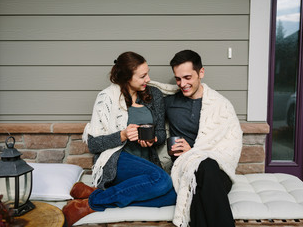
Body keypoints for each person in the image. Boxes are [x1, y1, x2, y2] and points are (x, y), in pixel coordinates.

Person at [62, 51, 177, 227]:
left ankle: (96, 194)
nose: (148, 79)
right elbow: (93, 144)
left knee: (175, 195)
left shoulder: (154, 95)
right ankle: (92, 204)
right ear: (127, 78)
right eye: (142, 76)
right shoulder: (107, 98)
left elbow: (161, 133)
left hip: (146, 163)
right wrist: (122, 135)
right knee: (162, 180)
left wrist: (153, 139)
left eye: (147, 73)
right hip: (117, 161)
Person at [153, 50, 243, 227]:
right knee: (197, 189)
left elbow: (230, 145)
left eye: (187, 77)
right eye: (178, 79)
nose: (182, 84)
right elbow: (145, 97)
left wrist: (193, 152)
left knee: (206, 168)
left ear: (201, 73)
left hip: (217, 173)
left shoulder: (221, 105)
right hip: (185, 169)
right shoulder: (170, 103)